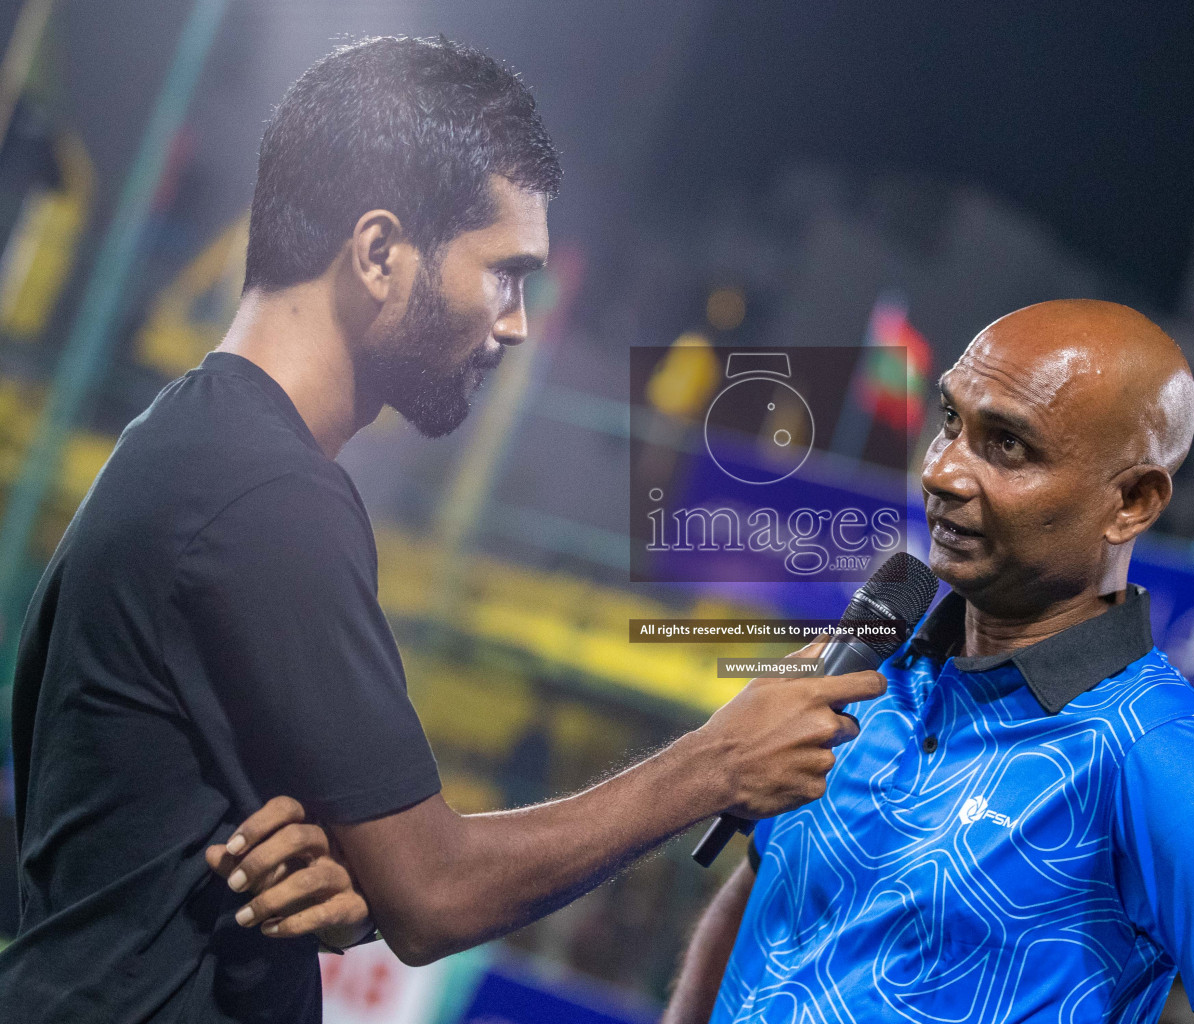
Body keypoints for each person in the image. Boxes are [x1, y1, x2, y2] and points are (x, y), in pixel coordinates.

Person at [0, 36, 882, 1024]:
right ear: (378, 252)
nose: (514, 324)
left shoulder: (191, 446)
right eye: (505, 274)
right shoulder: (266, 494)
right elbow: (437, 893)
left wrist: (362, 871)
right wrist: (716, 761)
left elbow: (353, 874)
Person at [662, 300, 1194, 1024]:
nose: (942, 471)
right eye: (952, 423)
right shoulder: (861, 668)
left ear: (1133, 501)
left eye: (1008, 447)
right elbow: (762, 890)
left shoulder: (1165, 756)